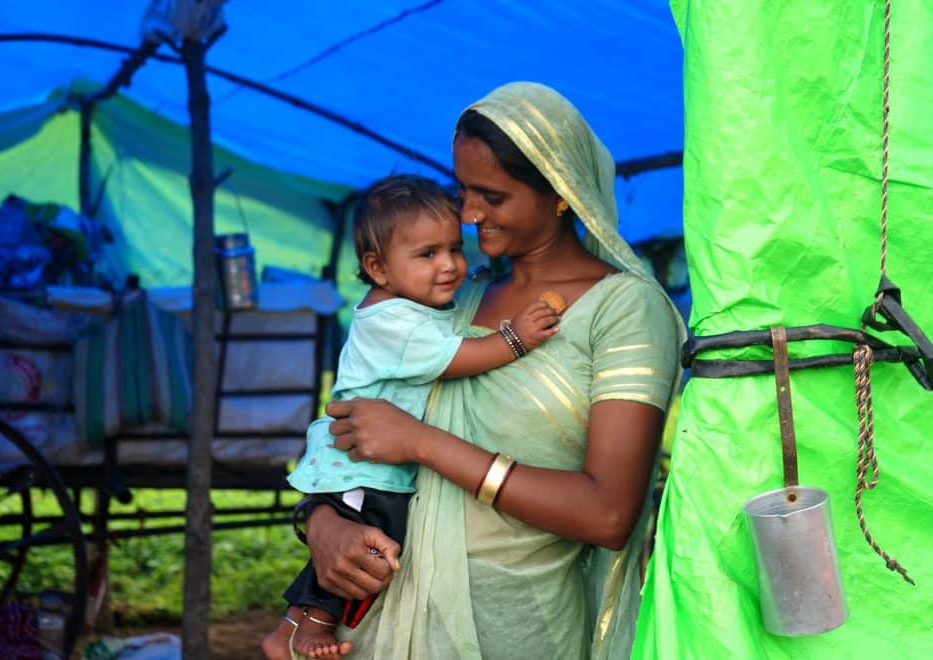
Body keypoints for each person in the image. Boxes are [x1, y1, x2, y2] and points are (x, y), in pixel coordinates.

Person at [269, 82, 686, 660]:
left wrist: (420, 442)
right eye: (463, 189)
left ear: (560, 193)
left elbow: (609, 513)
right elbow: (353, 430)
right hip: (374, 623)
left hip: (511, 628)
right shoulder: (452, 300)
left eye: (491, 195)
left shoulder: (623, 310)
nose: (467, 215)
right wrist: (321, 523)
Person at [263, 174, 562, 660]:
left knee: (364, 540)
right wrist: (515, 339)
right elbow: (458, 357)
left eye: (454, 249)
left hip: (367, 463)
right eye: (427, 255)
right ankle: (311, 624)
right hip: (363, 465)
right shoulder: (392, 322)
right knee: (367, 546)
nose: (449, 266)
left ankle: (290, 627)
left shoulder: (411, 304)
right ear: (377, 267)